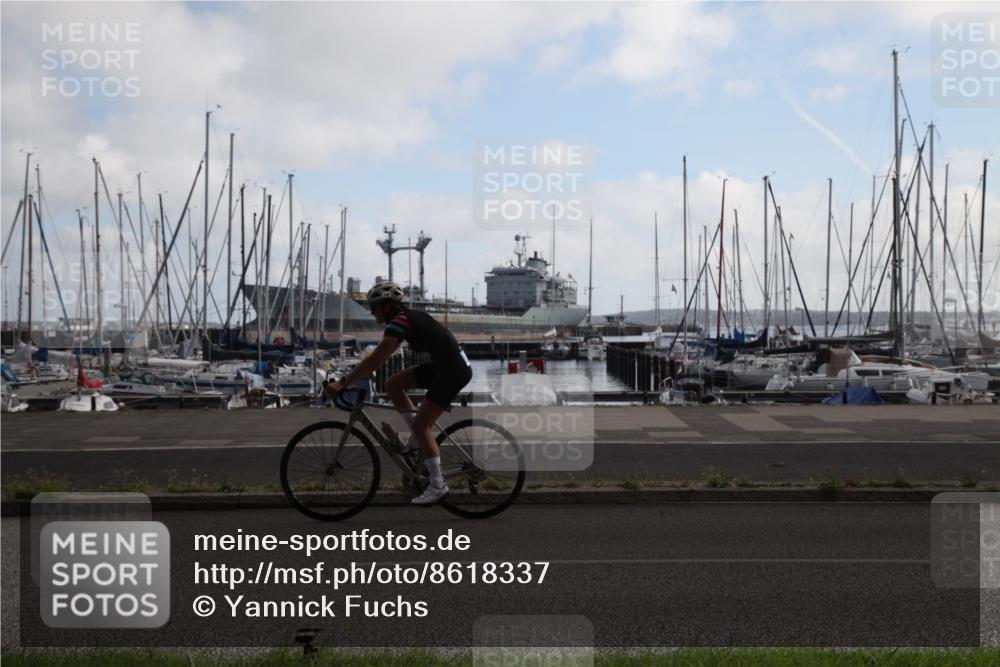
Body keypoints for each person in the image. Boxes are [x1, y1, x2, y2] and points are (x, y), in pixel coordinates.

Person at [325, 281, 473, 504]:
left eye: (374, 307)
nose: (372, 312)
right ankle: (415, 444)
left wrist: (343, 382)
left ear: (387, 306)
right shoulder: (406, 318)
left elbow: (375, 360)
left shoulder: (399, 324)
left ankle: (437, 485)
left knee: (420, 425)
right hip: (446, 365)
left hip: (453, 371)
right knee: (393, 385)